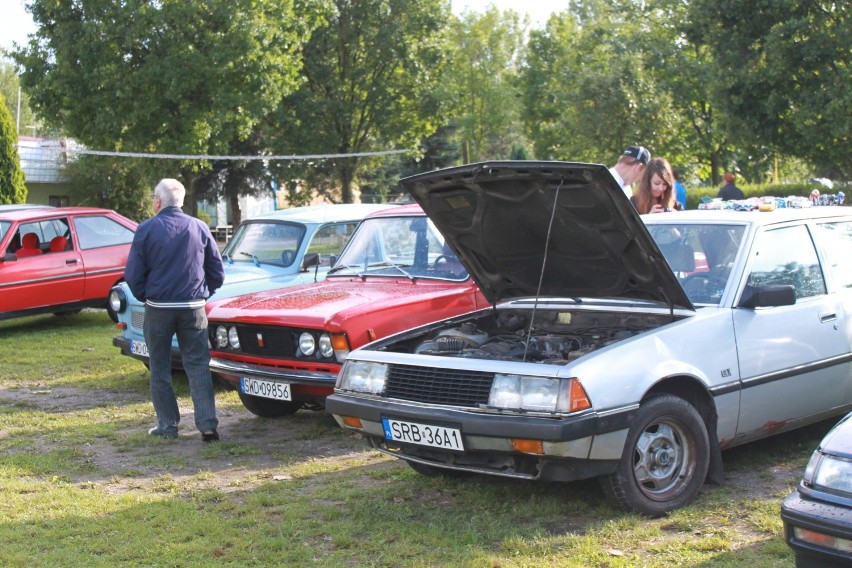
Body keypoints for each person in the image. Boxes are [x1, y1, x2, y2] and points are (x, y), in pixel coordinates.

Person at [125, 179, 225, 442]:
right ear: (181, 201)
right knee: (198, 366)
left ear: (158, 202)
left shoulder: (146, 229)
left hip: (159, 308)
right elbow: (217, 271)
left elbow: (133, 275)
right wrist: (202, 294)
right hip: (193, 308)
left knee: (159, 366)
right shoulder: (199, 227)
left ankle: (168, 426)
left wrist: (146, 296)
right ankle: (207, 426)